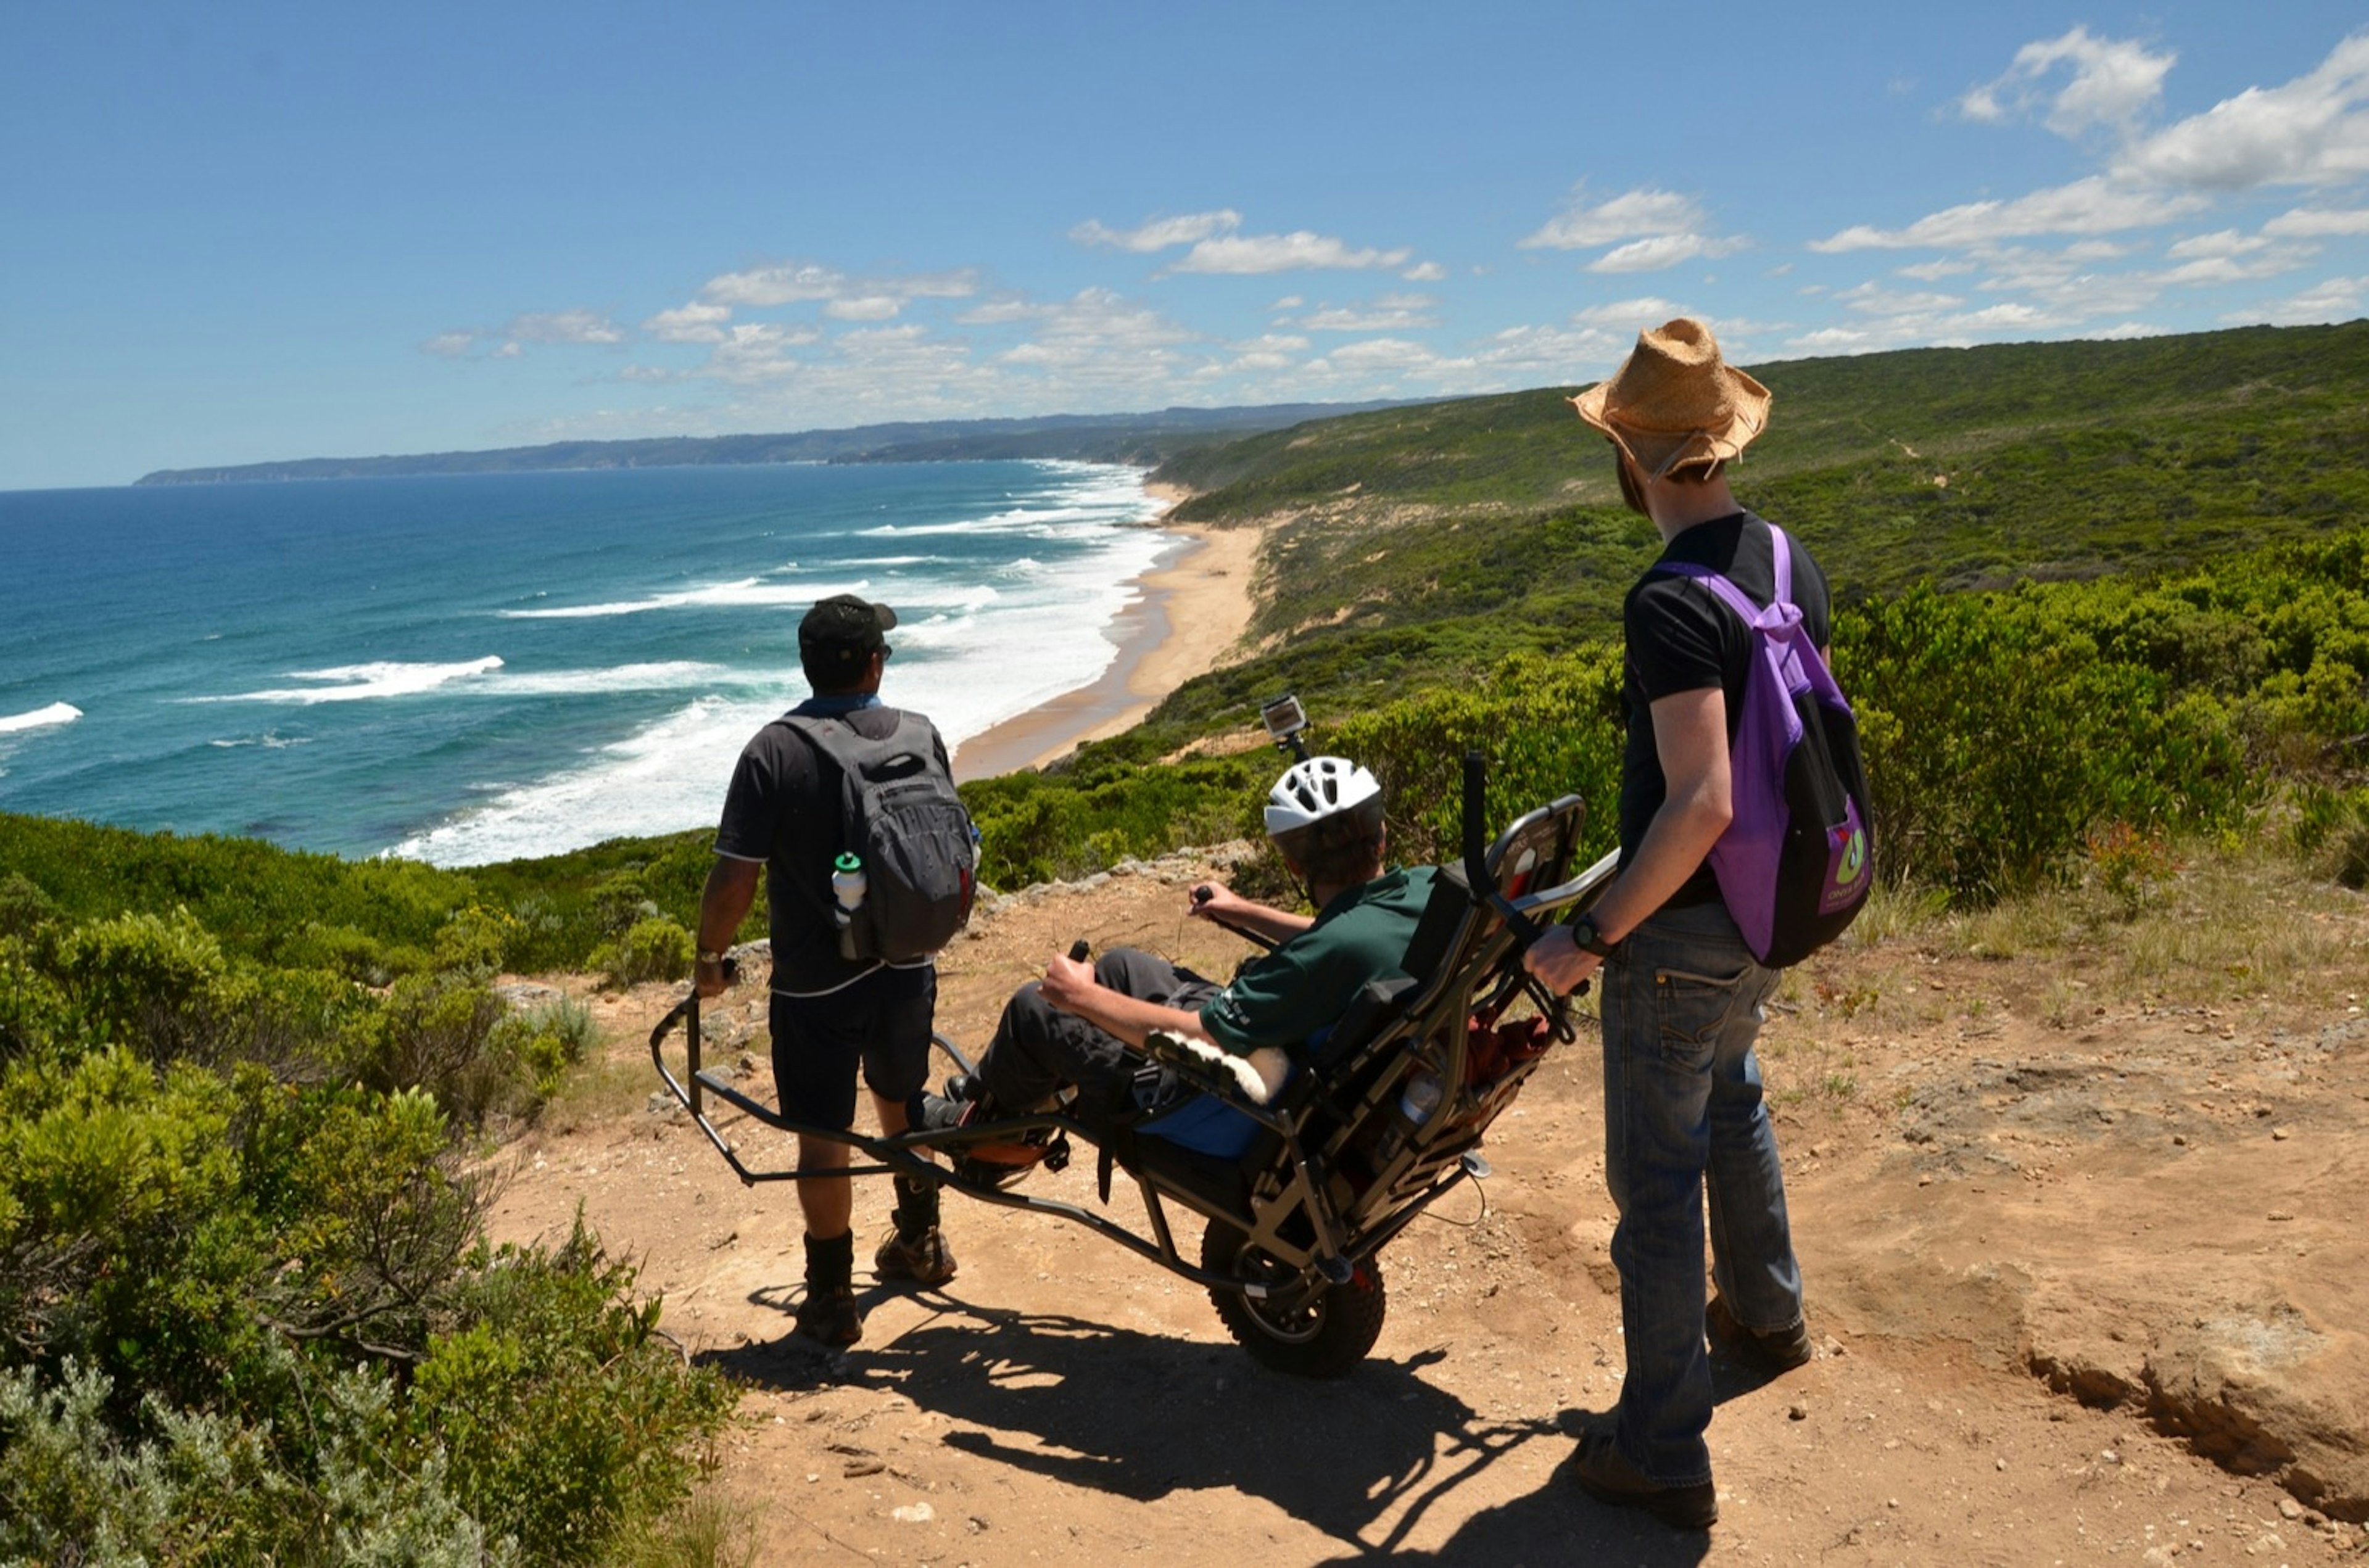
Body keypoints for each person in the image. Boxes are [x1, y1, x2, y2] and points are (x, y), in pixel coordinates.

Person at [1523, 318, 1822, 1531]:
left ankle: (1662, 1447)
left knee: (1656, 1180)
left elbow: (1701, 800)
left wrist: (1588, 933)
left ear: (1632, 462)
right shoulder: (1785, 555)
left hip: (1684, 932)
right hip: (1774, 908)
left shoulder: (1668, 597)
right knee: (1736, 1091)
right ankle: (1767, 1311)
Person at [935, 756, 1436, 1163]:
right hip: (1292, 1049)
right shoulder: (1422, 895)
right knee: (1123, 966)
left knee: (1036, 1009)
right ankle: (994, 1093)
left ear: (1293, 862)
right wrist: (1240, 910)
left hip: (1218, 1096)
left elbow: (1205, 1033)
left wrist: (1080, 996)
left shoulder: (1316, 960)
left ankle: (983, 1138)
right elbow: (1343, 932)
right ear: (1383, 833)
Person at [694, 593, 956, 1348]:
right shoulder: (922, 733)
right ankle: (921, 1242)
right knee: (903, 1103)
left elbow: (734, 880)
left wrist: (710, 958)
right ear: (875, 663)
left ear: (807, 665)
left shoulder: (773, 751)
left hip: (816, 983)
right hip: (908, 963)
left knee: (822, 1137)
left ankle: (833, 1299)